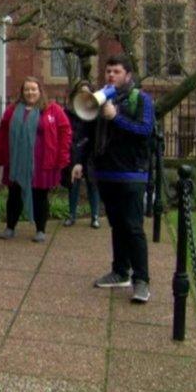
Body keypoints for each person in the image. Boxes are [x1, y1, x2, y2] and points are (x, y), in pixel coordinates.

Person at [72, 55, 154, 303]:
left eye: (116, 71)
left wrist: (115, 117)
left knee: (133, 227)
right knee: (117, 225)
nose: (110, 75)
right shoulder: (97, 99)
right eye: (108, 71)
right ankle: (120, 271)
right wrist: (77, 161)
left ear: (128, 75)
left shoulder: (140, 99)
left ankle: (142, 280)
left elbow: (145, 130)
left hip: (132, 173)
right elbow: (85, 134)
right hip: (106, 173)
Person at [0, 77, 71, 242]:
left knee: (40, 196)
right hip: (16, 162)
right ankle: (10, 227)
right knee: (13, 195)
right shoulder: (12, 110)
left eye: (33, 89)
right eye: (27, 89)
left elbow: (65, 132)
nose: (30, 92)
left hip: (41, 163)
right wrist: (0, 154)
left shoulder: (53, 109)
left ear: (40, 91)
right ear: (22, 92)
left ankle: (40, 229)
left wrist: (62, 157)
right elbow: (2, 132)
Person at [63, 81, 101, 229]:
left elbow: (96, 135)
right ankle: (72, 215)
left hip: (90, 152)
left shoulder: (95, 113)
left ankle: (95, 216)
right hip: (75, 151)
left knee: (93, 184)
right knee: (74, 183)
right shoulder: (69, 112)